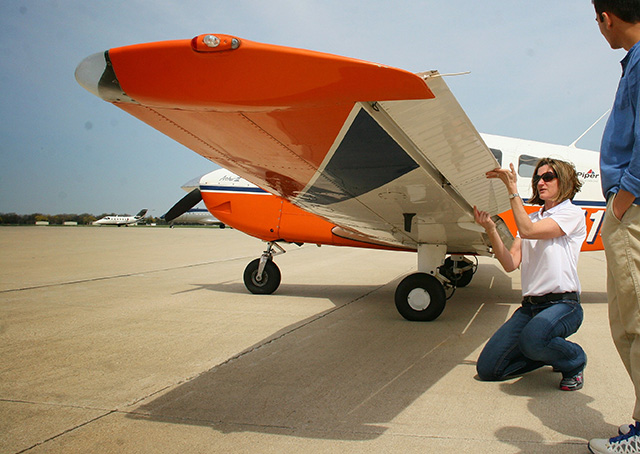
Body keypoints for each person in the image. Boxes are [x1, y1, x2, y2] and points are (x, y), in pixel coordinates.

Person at [473, 158, 587, 391]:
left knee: (533, 340)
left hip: (564, 305)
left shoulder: (571, 213)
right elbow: (510, 263)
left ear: (562, 181)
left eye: (548, 177)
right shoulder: (532, 218)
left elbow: (528, 231)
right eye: (537, 178)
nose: (540, 182)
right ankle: (549, 351)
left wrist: (512, 190)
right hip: (530, 308)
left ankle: (574, 361)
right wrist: (491, 229)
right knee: (488, 369)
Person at [589, 1, 640, 453]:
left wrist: (624, 199)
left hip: (631, 206)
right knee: (625, 324)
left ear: (607, 16)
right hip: (627, 205)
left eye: (596, 19)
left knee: (636, 323)